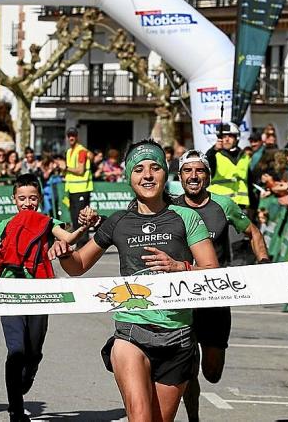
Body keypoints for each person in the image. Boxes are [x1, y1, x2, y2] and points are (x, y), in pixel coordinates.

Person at [48, 139, 219, 422]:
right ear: (129, 177)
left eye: (155, 168)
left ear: (166, 174)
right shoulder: (118, 222)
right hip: (132, 331)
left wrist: (179, 266)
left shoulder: (186, 217)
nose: (147, 175)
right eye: (139, 169)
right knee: (139, 417)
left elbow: (211, 270)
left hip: (177, 334)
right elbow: (77, 266)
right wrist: (65, 253)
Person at [0, 173, 99, 422]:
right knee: (17, 350)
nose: (27, 203)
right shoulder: (4, 226)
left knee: (33, 352)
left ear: (40, 199)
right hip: (9, 292)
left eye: (32, 198)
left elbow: (70, 238)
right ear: (14, 200)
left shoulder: (47, 221)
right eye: (22, 198)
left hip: (40, 293)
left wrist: (84, 227)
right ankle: (16, 410)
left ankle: (28, 374)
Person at [172, 149, 269, 422]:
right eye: (188, 171)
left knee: (212, 373)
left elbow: (253, 232)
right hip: (181, 297)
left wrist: (264, 262)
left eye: (199, 170)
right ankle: (194, 418)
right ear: (179, 177)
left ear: (208, 176)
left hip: (215, 295)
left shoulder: (223, 205)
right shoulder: (169, 207)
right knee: (186, 365)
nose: (193, 176)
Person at [206, 122, 251, 207]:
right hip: (220, 205)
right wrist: (214, 149)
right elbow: (206, 161)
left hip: (241, 205)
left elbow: (249, 182)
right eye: (223, 137)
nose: (226, 139)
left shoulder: (244, 156)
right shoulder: (215, 155)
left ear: (236, 138)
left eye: (230, 136)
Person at [64, 127, 93, 248]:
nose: (71, 137)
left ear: (77, 137)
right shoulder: (69, 152)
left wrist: (64, 167)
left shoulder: (81, 151)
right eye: (69, 135)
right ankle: (79, 242)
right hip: (73, 189)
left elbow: (80, 170)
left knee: (81, 218)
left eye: (73, 135)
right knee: (75, 218)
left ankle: (83, 243)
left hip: (82, 189)